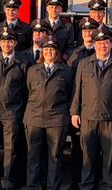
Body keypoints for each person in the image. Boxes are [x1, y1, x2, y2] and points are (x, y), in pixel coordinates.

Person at [70, 28, 112, 190]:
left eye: (106, 43)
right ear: (95, 45)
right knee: (88, 157)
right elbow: (77, 91)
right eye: (99, 43)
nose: (103, 46)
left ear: (111, 45)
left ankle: (108, 186)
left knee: (109, 157)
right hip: (88, 118)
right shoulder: (84, 64)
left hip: (110, 119)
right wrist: (74, 112)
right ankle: (87, 185)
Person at [24, 40, 74, 190]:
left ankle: (52, 186)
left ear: (57, 53)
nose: (49, 53)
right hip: (34, 118)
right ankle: (33, 185)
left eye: (52, 50)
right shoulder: (33, 70)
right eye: (46, 50)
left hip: (56, 119)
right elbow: (28, 91)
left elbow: (70, 93)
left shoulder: (65, 71)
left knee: (55, 156)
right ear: (42, 53)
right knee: (33, 156)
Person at [0, 29, 30, 190]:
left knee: (11, 148)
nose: (6, 44)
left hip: (12, 111)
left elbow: (27, 90)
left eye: (10, 41)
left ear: (15, 43)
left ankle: (8, 178)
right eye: (3, 41)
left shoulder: (23, 62)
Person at [64, 17, 98, 189]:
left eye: (91, 30)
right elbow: (71, 85)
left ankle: (95, 181)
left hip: (96, 109)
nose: (88, 33)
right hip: (80, 109)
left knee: (96, 149)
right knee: (77, 148)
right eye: (85, 31)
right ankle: (76, 181)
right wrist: (73, 110)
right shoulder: (74, 54)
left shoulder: (102, 52)